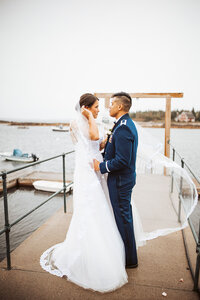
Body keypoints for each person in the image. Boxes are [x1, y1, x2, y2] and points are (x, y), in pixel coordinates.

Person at [40, 93, 129, 293]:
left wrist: (102, 141)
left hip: (90, 168)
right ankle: (90, 256)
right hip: (89, 172)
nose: (99, 110)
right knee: (92, 208)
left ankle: (96, 251)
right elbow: (94, 137)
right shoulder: (83, 121)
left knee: (98, 208)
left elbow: (91, 143)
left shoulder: (80, 122)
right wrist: (90, 118)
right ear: (86, 107)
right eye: (96, 107)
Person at [93, 92, 138, 268]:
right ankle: (128, 256)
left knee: (123, 219)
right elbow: (117, 151)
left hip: (120, 181)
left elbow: (122, 160)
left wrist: (100, 167)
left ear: (120, 107)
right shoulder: (121, 125)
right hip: (122, 179)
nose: (108, 107)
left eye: (111, 104)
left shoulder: (124, 127)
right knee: (124, 217)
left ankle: (130, 261)